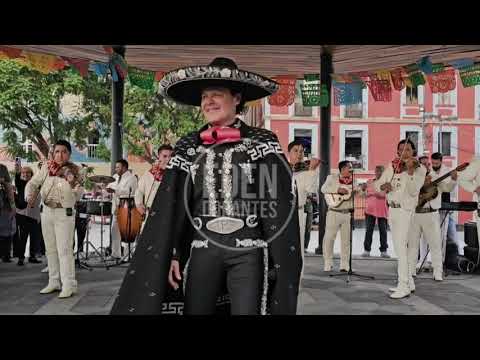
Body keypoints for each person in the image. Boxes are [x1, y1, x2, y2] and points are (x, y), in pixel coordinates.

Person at [111, 57, 301, 315]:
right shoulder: (188, 145)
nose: (208, 101)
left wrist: (278, 258)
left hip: (249, 252)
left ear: (237, 98)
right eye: (204, 97)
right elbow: (172, 206)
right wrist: (174, 254)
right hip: (203, 249)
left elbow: (279, 203)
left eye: (216, 94)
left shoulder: (262, 142)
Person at [27, 140, 84, 299]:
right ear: (53, 153)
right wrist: (29, 194)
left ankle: (69, 284)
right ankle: (54, 281)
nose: (60, 155)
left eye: (64, 151)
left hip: (64, 214)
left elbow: (79, 194)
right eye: (57, 151)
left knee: (64, 250)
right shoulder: (46, 168)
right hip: (47, 212)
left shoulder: (76, 170)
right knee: (50, 249)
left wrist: (72, 182)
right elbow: (32, 183)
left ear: (69, 154)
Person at [376, 139, 426, 299]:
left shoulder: (420, 169)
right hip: (393, 209)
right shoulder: (392, 166)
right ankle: (409, 282)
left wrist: (410, 172)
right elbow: (378, 184)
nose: (404, 153)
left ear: (413, 152)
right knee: (399, 248)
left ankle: (403, 284)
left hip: (406, 210)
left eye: (408, 150)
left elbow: (413, 191)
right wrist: (384, 187)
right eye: (401, 150)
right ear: (398, 151)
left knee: (401, 248)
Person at [414, 152, 456, 277]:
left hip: (437, 209)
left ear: (441, 161)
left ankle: (438, 267)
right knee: (423, 238)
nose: (433, 165)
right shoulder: (423, 174)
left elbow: (448, 189)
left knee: (439, 239)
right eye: (432, 164)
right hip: (422, 210)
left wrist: (453, 180)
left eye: (436, 163)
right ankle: (422, 261)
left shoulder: (442, 173)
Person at [287, 140, 319, 271]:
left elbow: (311, 189)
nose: (299, 154)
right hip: (283, 213)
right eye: (296, 151)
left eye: (302, 151)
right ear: (289, 152)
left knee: (298, 249)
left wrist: (312, 169)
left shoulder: (308, 171)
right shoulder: (282, 168)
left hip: (299, 213)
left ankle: (297, 284)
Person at [321, 160, 358, 272]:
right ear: (342, 169)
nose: (351, 170)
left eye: (351, 168)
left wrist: (361, 191)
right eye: (349, 167)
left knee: (346, 240)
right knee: (329, 238)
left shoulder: (354, 181)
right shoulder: (331, 178)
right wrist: (337, 190)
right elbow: (323, 189)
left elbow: (358, 193)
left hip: (347, 213)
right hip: (334, 212)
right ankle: (328, 262)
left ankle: (345, 264)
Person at [135, 144, 173, 231]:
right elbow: (139, 191)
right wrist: (139, 204)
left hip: (168, 216)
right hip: (150, 214)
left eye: (170, 156)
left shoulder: (174, 175)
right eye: (165, 156)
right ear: (159, 156)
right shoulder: (149, 174)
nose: (168, 159)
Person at [106, 159, 138, 260]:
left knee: (127, 233)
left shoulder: (132, 178)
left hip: (127, 207)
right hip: (116, 208)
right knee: (114, 231)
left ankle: (127, 256)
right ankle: (115, 254)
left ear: (124, 167)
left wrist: (115, 190)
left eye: (117, 167)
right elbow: (109, 186)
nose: (115, 169)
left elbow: (129, 191)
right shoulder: (115, 177)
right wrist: (106, 187)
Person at [14, 165, 42, 266]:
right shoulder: (20, 183)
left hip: (34, 213)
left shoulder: (35, 184)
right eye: (23, 173)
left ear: (31, 174)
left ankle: (32, 256)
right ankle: (21, 258)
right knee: (23, 237)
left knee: (34, 236)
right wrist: (18, 170)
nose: (25, 174)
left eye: (28, 173)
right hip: (23, 214)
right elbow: (17, 177)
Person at [362, 165, 389, 258]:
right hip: (370, 209)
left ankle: (384, 251)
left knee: (383, 231)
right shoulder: (369, 182)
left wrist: (372, 193)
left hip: (382, 210)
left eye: (380, 171)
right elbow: (365, 194)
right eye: (376, 171)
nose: (378, 173)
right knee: (369, 230)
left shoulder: (386, 183)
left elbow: (383, 195)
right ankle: (366, 250)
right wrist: (369, 192)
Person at [0, 164, 16, 263]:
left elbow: (8, 186)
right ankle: (5, 255)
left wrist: (12, 205)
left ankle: (6, 254)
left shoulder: (2, 168)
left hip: (3, 205)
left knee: (6, 231)